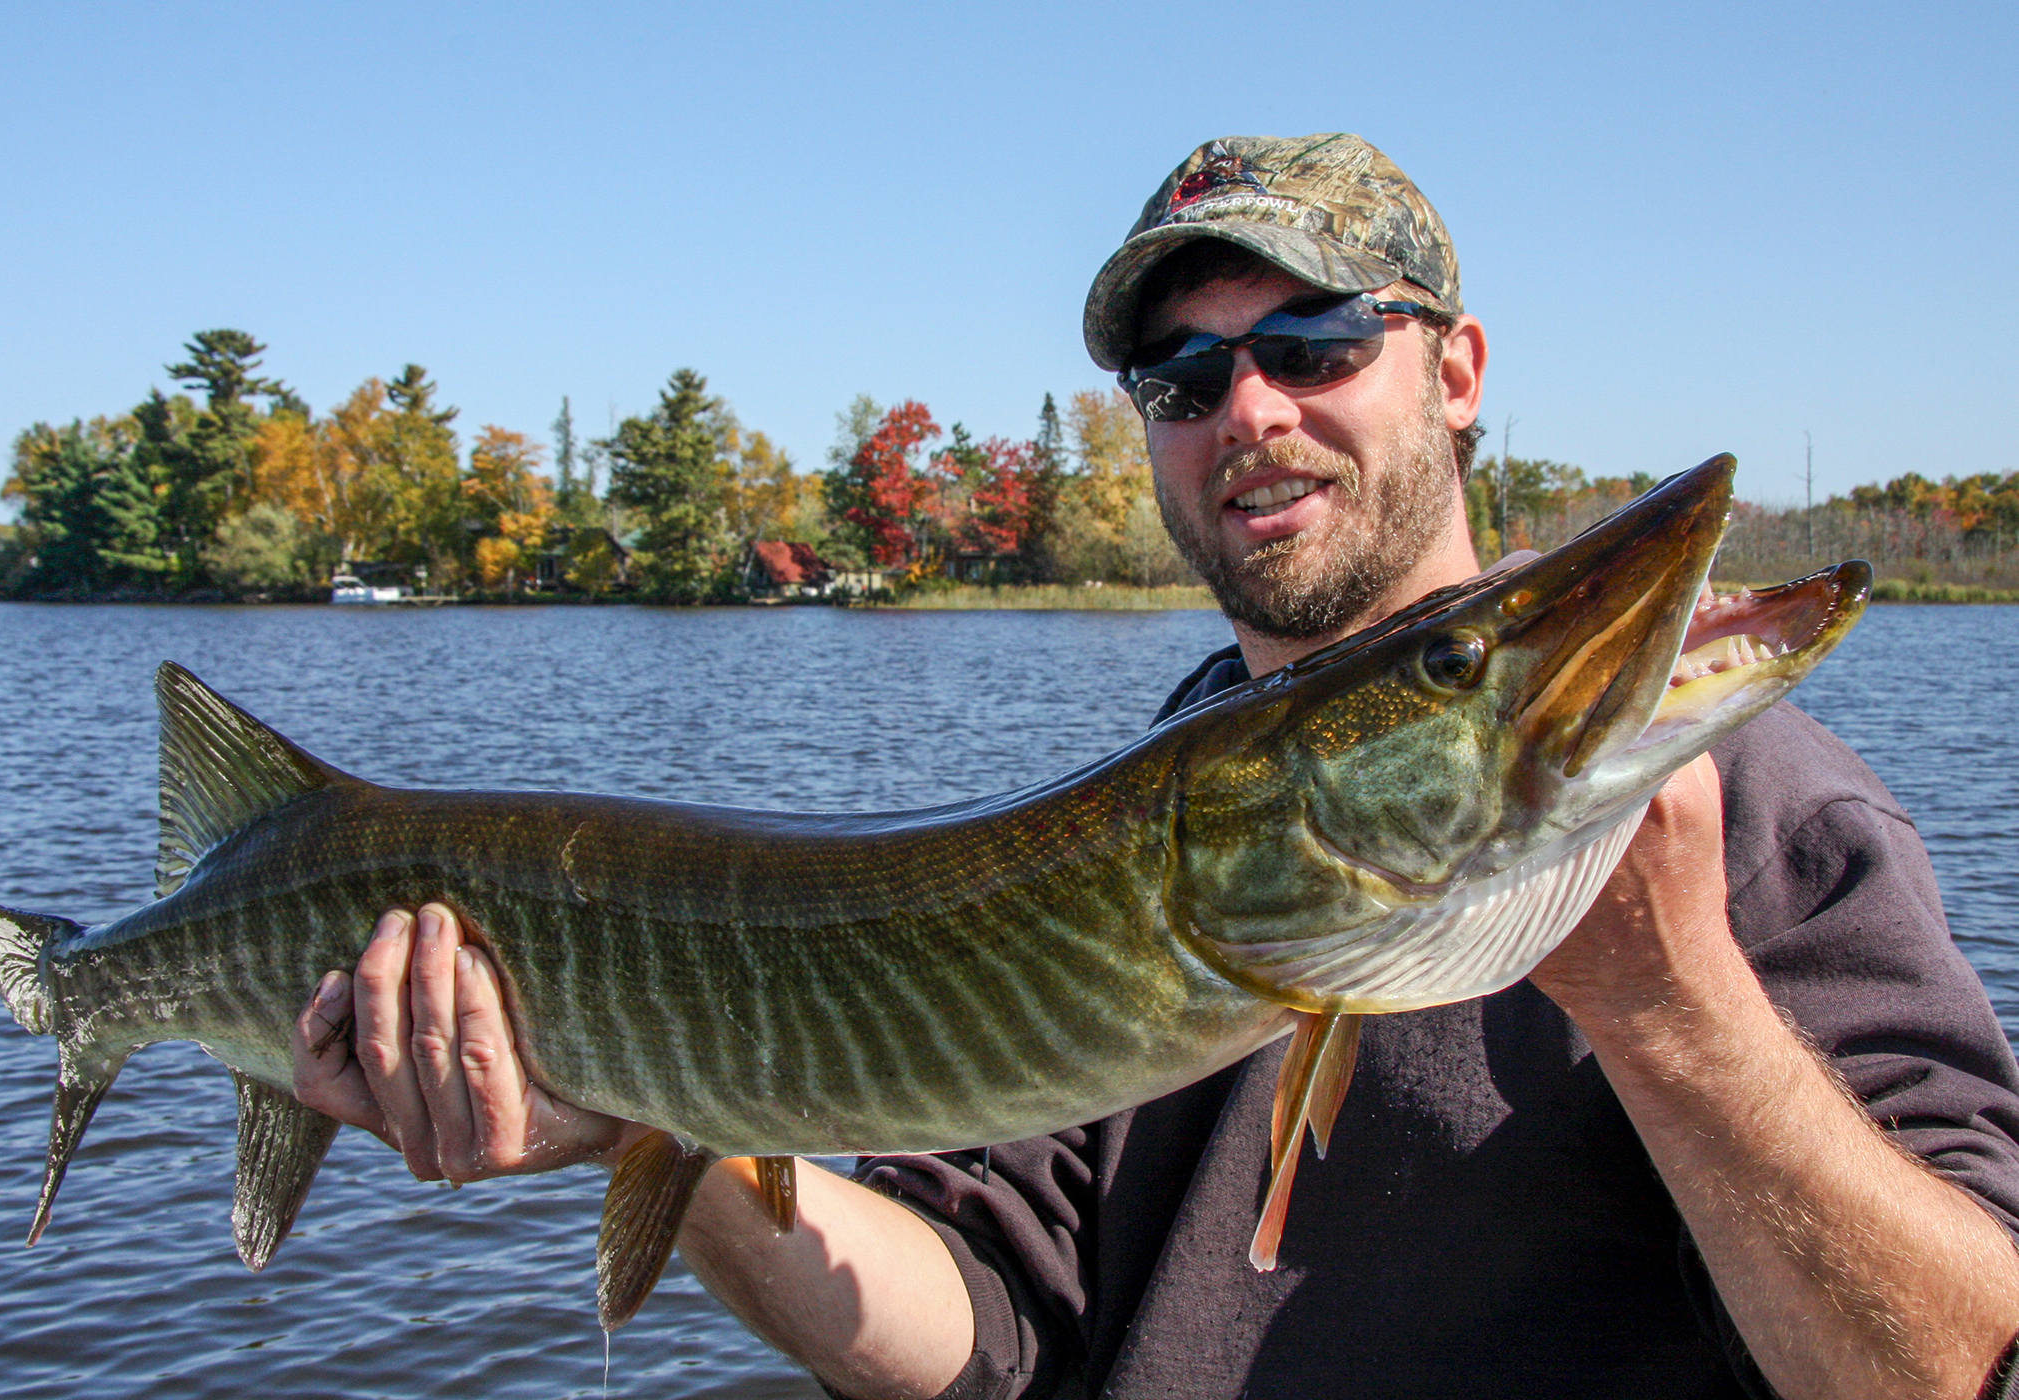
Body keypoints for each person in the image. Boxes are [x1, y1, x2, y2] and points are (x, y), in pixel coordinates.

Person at [292, 135, 2019, 1400]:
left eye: (1317, 341)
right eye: (1183, 372)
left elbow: (1956, 1362)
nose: (1248, 407)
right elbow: (983, 1332)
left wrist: (1674, 1002)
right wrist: (641, 1113)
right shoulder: (1143, 812)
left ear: (1459, 371)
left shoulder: (1748, 810)